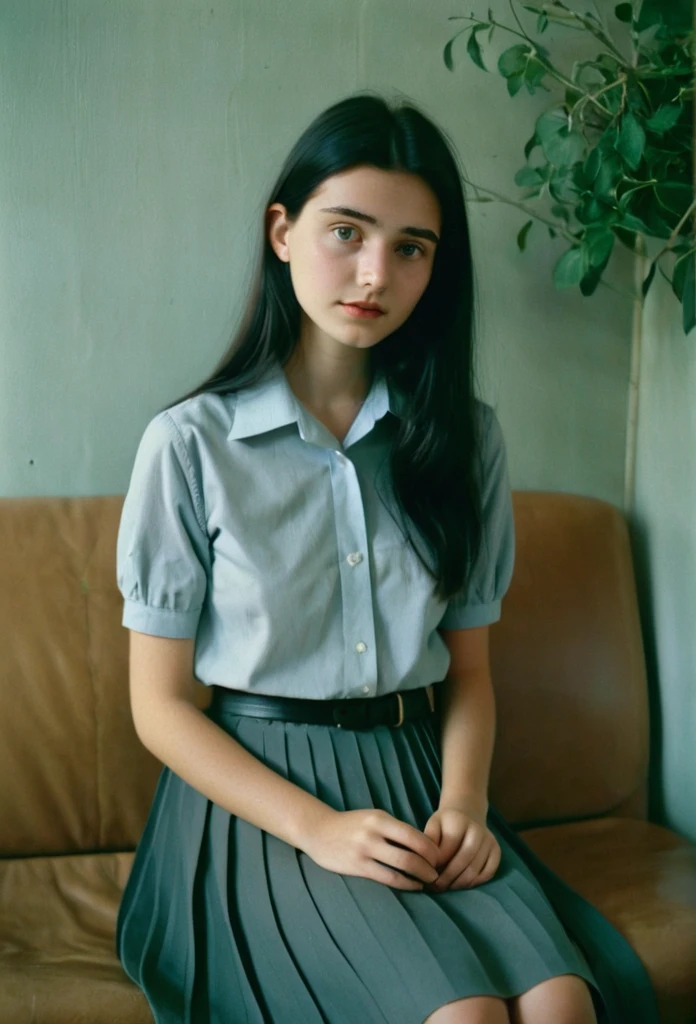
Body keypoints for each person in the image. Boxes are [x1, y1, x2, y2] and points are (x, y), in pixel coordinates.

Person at [114, 92, 658, 1024]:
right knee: (466, 1017)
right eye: (346, 232)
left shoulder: (464, 439)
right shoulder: (190, 444)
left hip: (421, 781)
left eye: (411, 247)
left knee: (564, 1004)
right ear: (282, 232)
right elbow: (159, 706)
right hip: (259, 805)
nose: (375, 273)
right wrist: (316, 827)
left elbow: (472, 673)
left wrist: (468, 804)